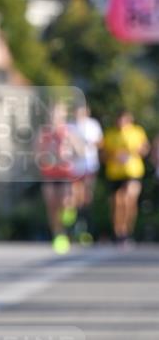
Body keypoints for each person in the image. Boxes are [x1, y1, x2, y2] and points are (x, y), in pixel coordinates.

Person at [35, 101, 83, 254]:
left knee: (66, 202)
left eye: (58, 114)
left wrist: (69, 154)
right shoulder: (43, 133)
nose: (54, 117)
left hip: (65, 173)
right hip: (49, 174)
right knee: (51, 205)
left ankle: (69, 217)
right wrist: (45, 157)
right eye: (52, 113)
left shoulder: (69, 132)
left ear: (63, 115)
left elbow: (80, 151)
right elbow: (36, 154)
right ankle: (58, 235)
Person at [101, 110, 150, 244]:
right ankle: (119, 232)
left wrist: (135, 152)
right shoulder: (110, 134)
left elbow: (145, 149)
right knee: (117, 202)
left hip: (133, 172)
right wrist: (114, 156)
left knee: (129, 198)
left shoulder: (137, 132)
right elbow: (103, 156)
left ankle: (128, 230)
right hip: (115, 173)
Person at [67, 102, 103, 241]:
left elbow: (100, 142)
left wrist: (88, 143)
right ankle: (72, 226)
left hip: (89, 166)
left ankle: (85, 228)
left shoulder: (92, 125)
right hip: (75, 167)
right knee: (74, 197)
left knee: (86, 197)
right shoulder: (70, 126)